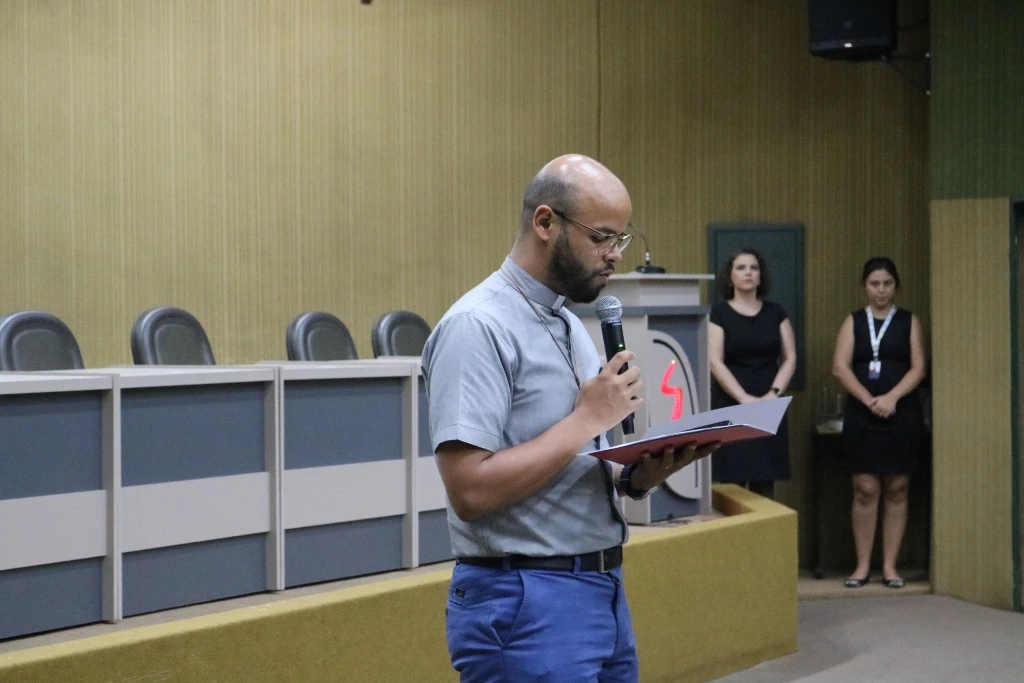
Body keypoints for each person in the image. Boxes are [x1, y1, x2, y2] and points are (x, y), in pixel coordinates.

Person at [421, 154, 718, 682]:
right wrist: (588, 419)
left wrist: (637, 475)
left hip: (600, 586)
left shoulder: (569, 324)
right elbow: (470, 491)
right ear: (545, 223)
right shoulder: (477, 326)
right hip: (525, 599)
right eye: (602, 237)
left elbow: (571, 457)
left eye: (621, 240)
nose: (614, 255)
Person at [832, 257, 926, 589]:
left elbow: (919, 368)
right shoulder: (854, 321)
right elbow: (840, 367)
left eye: (887, 284)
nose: (881, 290)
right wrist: (869, 400)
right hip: (863, 414)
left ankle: (889, 567)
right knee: (866, 489)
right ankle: (861, 567)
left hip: (901, 413)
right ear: (865, 286)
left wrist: (891, 398)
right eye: (874, 284)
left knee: (897, 488)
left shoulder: (909, 321)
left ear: (896, 286)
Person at [707, 248, 796, 499]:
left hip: (768, 406)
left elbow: (790, 358)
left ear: (760, 276)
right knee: (731, 486)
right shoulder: (719, 314)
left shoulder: (776, 313)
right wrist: (743, 398)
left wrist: (773, 395)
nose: (748, 272)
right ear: (730, 276)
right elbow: (715, 361)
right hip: (731, 405)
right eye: (741, 267)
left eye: (753, 268)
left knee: (765, 485)